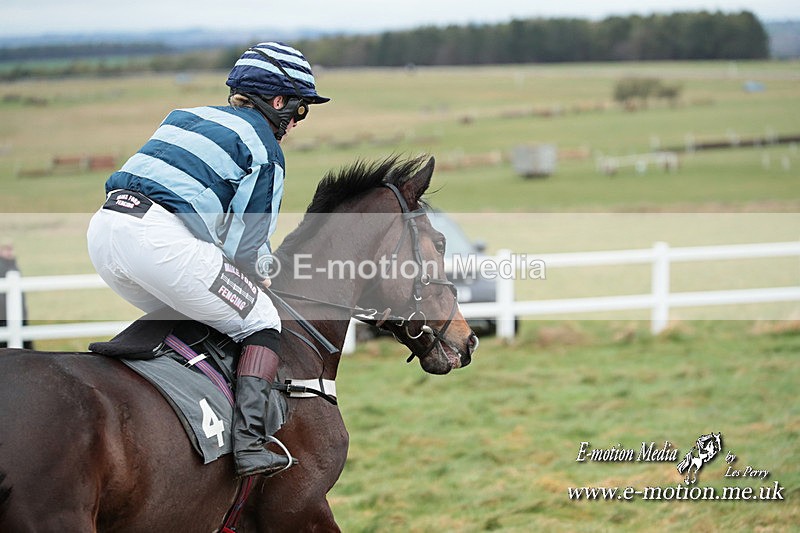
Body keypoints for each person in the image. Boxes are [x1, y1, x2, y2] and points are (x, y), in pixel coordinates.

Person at [86, 42, 329, 478]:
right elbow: (245, 249)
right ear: (278, 102)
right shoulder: (266, 149)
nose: (295, 121)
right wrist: (263, 277)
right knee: (260, 320)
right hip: (158, 242)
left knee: (201, 310)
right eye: (299, 109)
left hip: (104, 231)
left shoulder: (185, 115)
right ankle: (251, 442)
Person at [0, 241, 33, 350]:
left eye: (10, 249)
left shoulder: (12, 264)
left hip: (17, 312)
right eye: (6, 250)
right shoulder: (5, 266)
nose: (9, 252)